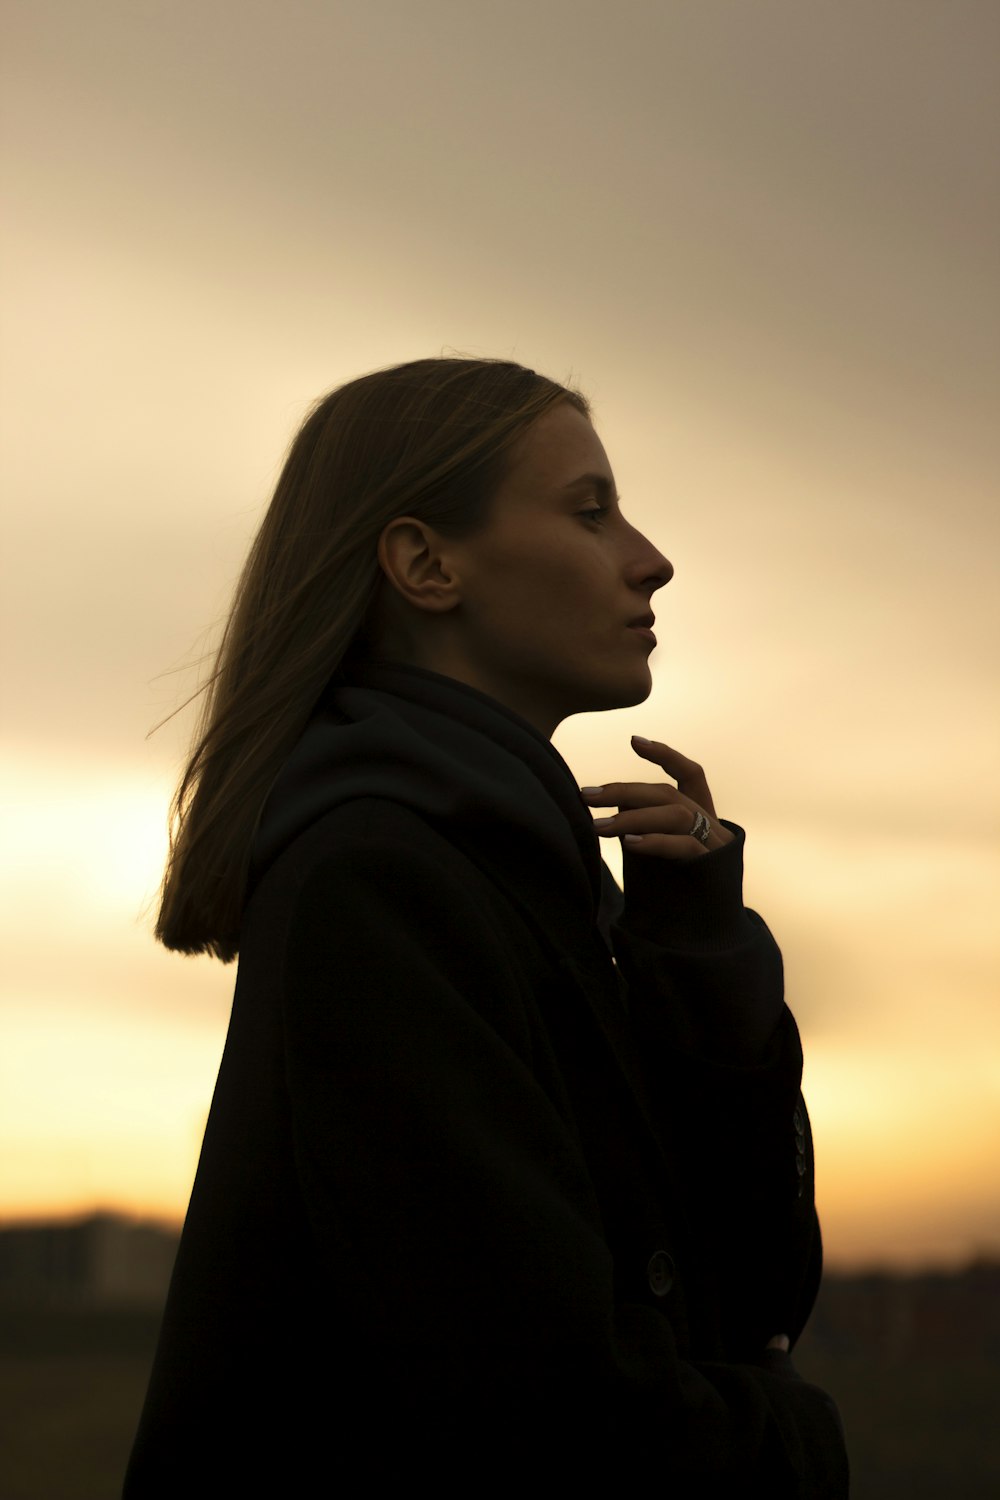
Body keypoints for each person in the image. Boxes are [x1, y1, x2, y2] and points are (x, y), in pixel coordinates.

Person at [124, 358, 847, 1495]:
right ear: (425, 563)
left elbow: (750, 1294)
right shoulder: (377, 882)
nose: (650, 558)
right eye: (589, 510)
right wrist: (798, 1449)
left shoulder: (535, 879)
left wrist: (697, 949)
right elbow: (547, 1415)